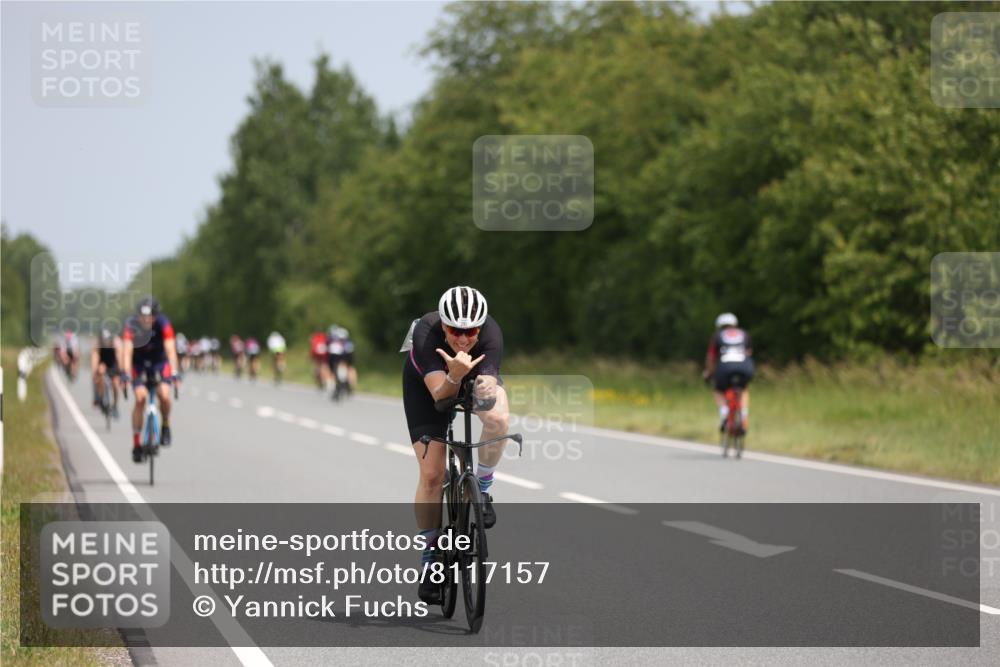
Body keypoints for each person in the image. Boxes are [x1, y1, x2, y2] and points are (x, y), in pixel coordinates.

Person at [402, 286, 509, 604]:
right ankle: (430, 557)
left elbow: (488, 383)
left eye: (471, 331)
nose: (463, 339)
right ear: (443, 325)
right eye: (455, 331)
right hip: (428, 387)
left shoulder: (491, 333)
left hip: (469, 375)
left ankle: (484, 487)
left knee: (499, 420)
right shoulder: (425, 333)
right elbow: (439, 396)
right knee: (433, 474)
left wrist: (486, 385)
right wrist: (454, 374)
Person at [122, 297, 181, 462]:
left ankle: (166, 425)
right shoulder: (131, 324)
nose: (147, 319)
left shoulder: (164, 323)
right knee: (140, 398)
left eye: (151, 316)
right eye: (143, 316)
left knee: (164, 394)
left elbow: (170, 349)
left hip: (159, 363)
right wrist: (126, 373)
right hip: (139, 364)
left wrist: (175, 371)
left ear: (156, 315)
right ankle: (136, 444)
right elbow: (127, 351)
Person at [702, 312, 754, 433]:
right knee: (743, 389)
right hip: (745, 367)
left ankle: (724, 413)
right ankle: (744, 416)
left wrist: (708, 374)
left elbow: (711, 358)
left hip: (724, 368)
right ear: (735, 324)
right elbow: (749, 353)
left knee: (718, 390)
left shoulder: (717, 336)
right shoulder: (745, 334)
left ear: (719, 326)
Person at [91, 327, 124, 417]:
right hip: (102, 362)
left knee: (115, 383)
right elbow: (95, 357)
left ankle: (115, 405)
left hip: (113, 362)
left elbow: (120, 357)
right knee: (100, 374)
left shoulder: (116, 341)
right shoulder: (97, 342)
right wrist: (95, 373)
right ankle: (101, 397)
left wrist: (121, 372)